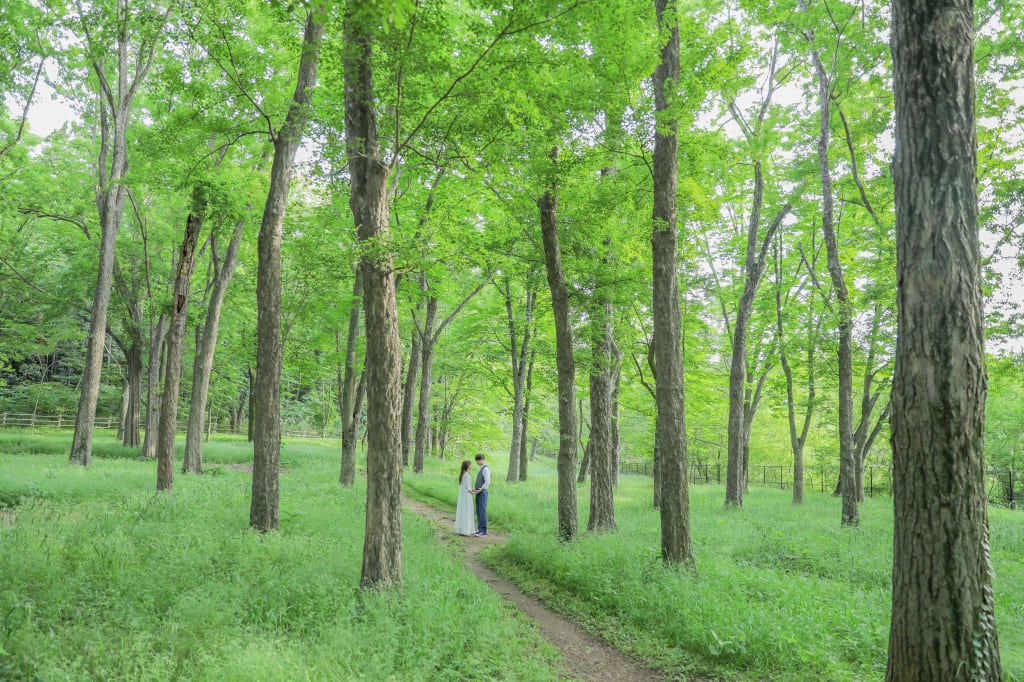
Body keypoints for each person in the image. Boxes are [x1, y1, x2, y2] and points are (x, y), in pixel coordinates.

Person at [471, 454, 490, 537]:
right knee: (478, 511)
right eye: (477, 460)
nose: (477, 462)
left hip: (482, 492)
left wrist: (480, 490)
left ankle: (483, 531)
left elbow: (487, 482)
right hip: (479, 492)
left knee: (482, 511)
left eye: (478, 460)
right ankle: (480, 530)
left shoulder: (485, 469)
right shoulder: (481, 468)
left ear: (483, 459)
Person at [454, 460, 475, 536]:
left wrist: (471, 490)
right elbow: (468, 488)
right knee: (467, 510)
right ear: (467, 466)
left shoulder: (463, 474)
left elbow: (465, 486)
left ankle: (462, 528)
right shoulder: (466, 474)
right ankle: (466, 529)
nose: (471, 466)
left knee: (463, 510)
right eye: (470, 464)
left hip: (464, 495)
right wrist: (473, 492)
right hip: (467, 496)